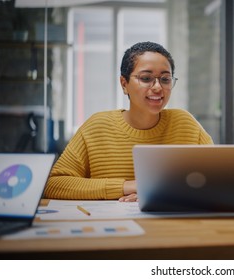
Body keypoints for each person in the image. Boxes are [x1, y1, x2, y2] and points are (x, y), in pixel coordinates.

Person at [45, 41, 213, 202]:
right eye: (146, 78)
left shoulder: (186, 124)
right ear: (124, 84)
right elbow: (53, 184)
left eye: (165, 79)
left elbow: (217, 180)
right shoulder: (97, 126)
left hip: (171, 223)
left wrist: (164, 190)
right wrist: (130, 186)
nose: (157, 87)